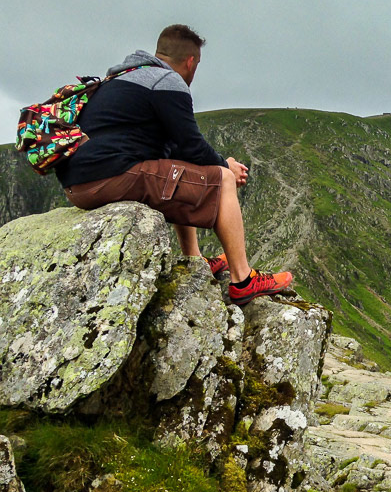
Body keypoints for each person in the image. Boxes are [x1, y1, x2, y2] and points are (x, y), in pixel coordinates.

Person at [55, 24, 291, 306]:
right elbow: (192, 145)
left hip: (78, 184)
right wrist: (225, 167)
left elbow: (180, 152)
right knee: (222, 180)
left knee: (178, 168)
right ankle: (243, 279)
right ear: (191, 61)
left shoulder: (121, 78)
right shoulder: (167, 81)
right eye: (197, 65)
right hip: (111, 178)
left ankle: (193, 259)